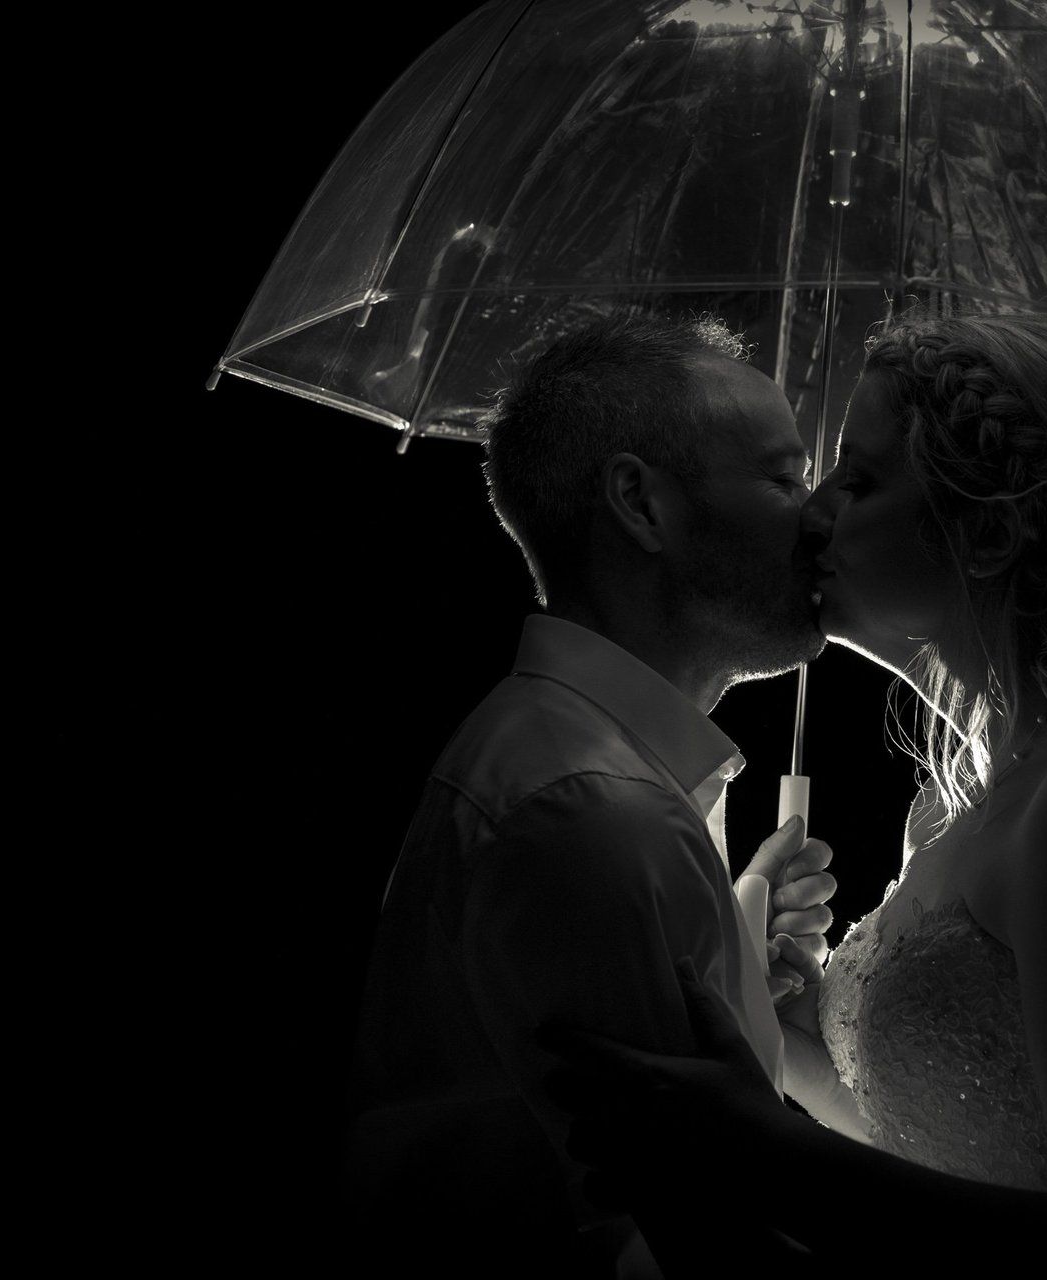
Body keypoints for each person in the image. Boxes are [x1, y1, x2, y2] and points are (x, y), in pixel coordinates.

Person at [540, 312, 1047, 1269]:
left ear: (989, 530)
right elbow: (977, 1153)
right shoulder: (1008, 783)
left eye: (860, 480)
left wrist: (761, 1153)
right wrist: (796, 1046)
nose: (814, 512)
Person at [344, 314, 838, 1276]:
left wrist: (730, 952)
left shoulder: (582, 768)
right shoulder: (593, 813)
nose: (819, 518)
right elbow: (691, 1246)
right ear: (641, 504)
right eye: (784, 479)